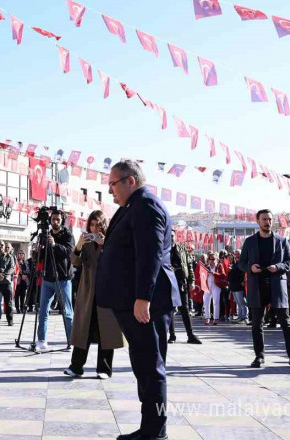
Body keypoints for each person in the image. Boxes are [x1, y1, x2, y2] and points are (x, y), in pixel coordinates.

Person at [96, 161, 180, 440]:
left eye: (113, 184)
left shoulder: (146, 206)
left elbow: (150, 254)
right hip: (132, 299)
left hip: (147, 301)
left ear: (130, 181)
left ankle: (155, 432)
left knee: (150, 365)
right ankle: (150, 428)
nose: (110, 191)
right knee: (143, 364)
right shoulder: (131, 207)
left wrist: (143, 296)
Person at [65, 210, 126, 379]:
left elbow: (120, 261)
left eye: (98, 225)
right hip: (87, 291)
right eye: (92, 225)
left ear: (104, 225)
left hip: (107, 291)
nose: (94, 228)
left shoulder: (112, 241)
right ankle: (76, 366)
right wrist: (78, 246)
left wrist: (106, 245)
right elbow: (74, 262)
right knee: (82, 329)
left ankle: (104, 369)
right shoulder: (86, 243)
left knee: (106, 330)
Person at [238, 209, 290, 369]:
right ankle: (259, 357)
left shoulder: (281, 240)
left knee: (286, 322)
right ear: (258, 221)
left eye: (270, 219)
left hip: (276, 284)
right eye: (264, 219)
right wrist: (250, 268)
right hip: (256, 285)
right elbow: (241, 263)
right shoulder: (250, 241)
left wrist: (278, 266)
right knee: (257, 323)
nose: (268, 222)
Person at [35, 209, 76, 351]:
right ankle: (41, 340)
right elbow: (39, 258)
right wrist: (38, 250)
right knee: (43, 311)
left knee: (67, 312)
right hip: (48, 278)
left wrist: (54, 245)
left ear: (62, 220)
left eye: (58, 219)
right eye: (53, 219)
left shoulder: (68, 235)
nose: (55, 222)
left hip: (63, 279)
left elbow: (69, 252)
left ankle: (71, 341)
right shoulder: (45, 235)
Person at [168, 234, 201, 344]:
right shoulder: (163, 248)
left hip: (182, 281)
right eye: (169, 236)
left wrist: (191, 280)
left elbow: (189, 265)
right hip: (169, 282)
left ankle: (190, 335)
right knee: (171, 309)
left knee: (185, 309)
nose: (171, 238)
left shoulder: (182, 249)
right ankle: (172, 335)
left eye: (173, 236)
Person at [202, 253, 225, 325]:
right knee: (206, 301)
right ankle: (207, 317)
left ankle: (216, 318)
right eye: (210, 259)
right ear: (208, 260)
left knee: (216, 302)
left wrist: (214, 273)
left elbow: (223, 275)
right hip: (208, 286)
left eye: (213, 259)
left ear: (216, 259)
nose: (212, 261)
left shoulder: (219, 265)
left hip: (216, 285)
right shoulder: (206, 266)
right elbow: (201, 275)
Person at [228, 249, 248, 325]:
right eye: (235, 254)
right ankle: (240, 316)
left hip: (239, 286)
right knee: (238, 303)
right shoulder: (234, 264)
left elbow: (243, 273)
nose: (236, 256)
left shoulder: (242, 263)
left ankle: (244, 316)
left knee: (242, 302)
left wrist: (243, 281)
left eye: (238, 254)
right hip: (233, 286)